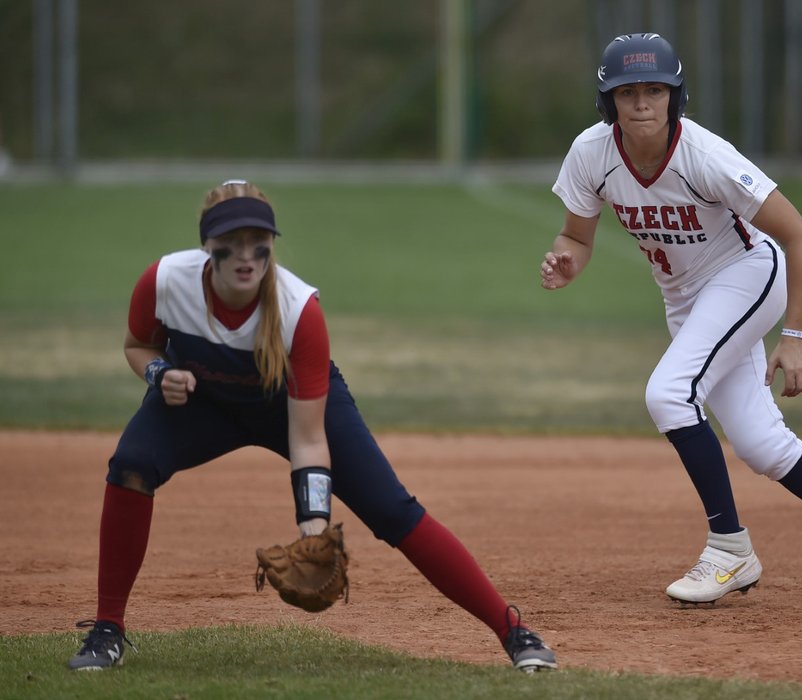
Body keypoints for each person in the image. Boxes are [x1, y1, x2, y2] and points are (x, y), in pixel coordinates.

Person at [68, 179, 557, 672]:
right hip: (203, 401)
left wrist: (313, 524)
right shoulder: (166, 280)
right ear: (206, 247)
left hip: (290, 408)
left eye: (257, 243)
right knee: (131, 464)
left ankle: (513, 631)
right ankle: (107, 629)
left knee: (392, 510)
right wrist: (159, 373)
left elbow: (306, 437)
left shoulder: (299, 310)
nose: (246, 256)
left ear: (271, 245)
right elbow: (138, 346)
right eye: (230, 243)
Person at [540, 33, 802, 607]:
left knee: (669, 395)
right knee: (761, 445)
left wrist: (794, 338)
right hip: (686, 298)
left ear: (676, 97)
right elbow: (576, 235)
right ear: (609, 103)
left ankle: (729, 549)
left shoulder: (703, 155)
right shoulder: (591, 154)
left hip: (747, 274)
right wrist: (566, 261)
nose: (643, 103)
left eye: (656, 90)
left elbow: (800, 237)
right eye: (628, 93)